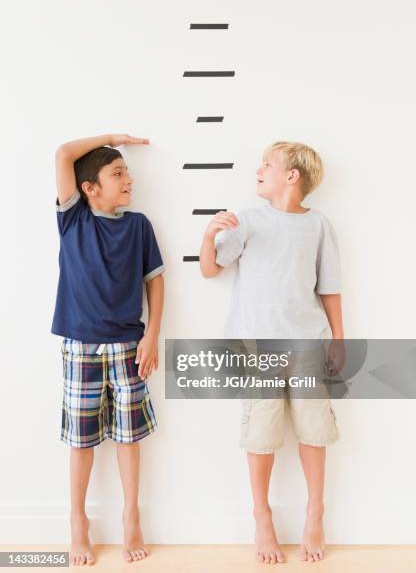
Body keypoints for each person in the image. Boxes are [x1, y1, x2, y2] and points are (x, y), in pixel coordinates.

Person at [199, 141, 345, 564]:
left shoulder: (319, 225)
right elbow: (211, 270)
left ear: (291, 176)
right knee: (261, 436)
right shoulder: (246, 220)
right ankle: (262, 516)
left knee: (313, 432)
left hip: (307, 345)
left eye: (267, 164)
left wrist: (339, 337)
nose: (258, 169)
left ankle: (314, 512)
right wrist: (209, 235)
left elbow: (329, 287)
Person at [51, 134, 165, 565]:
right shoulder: (73, 220)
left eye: (127, 171)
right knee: (81, 441)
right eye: (118, 173)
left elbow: (155, 279)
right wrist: (114, 139)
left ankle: (131, 516)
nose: (129, 179)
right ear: (89, 188)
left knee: (129, 436)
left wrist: (153, 334)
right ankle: (78, 521)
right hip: (80, 346)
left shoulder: (139, 226)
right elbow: (64, 153)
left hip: (128, 346)